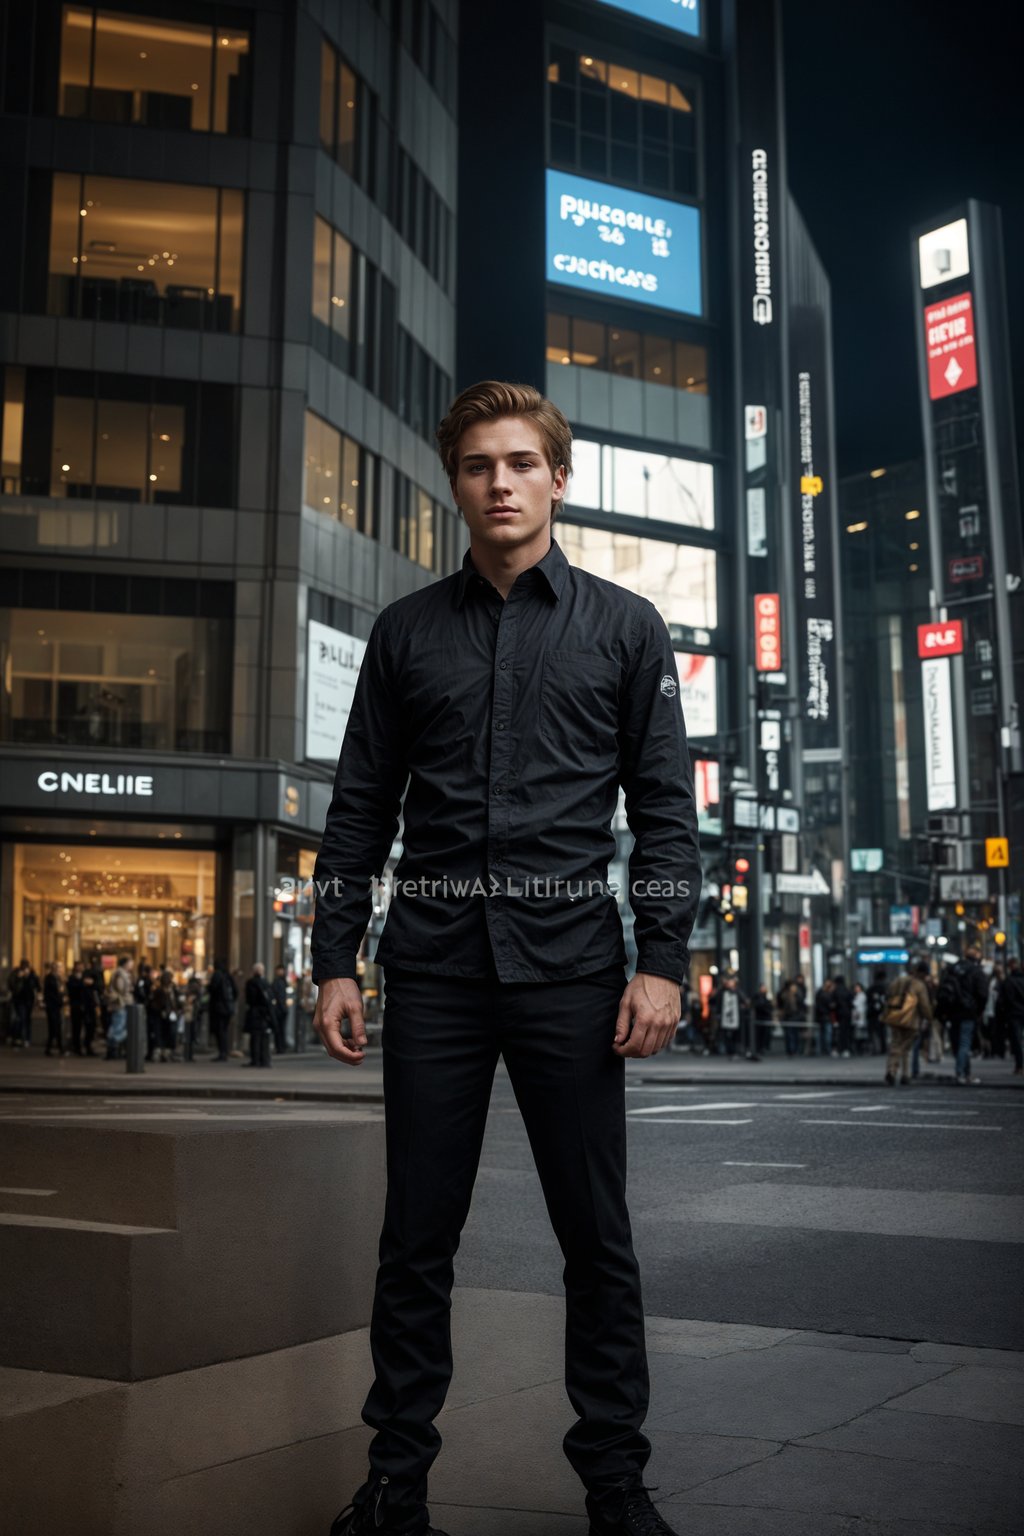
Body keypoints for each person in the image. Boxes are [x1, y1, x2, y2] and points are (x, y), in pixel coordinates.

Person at [311, 381, 699, 1536]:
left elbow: (664, 814)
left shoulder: (627, 629)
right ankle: (396, 1483)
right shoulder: (405, 633)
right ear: (457, 481)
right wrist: (338, 955)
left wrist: (663, 958)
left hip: (575, 974)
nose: (501, 482)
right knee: (415, 1237)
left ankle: (616, 1486)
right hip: (431, 969)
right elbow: (359, 807)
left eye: (522, 462)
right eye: (480, 464)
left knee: (598, 1239)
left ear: (557, 479)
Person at [940, 945, 989, 1085]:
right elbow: (982, 994)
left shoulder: (952, 969)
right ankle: (961, 1073)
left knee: (958, 1043)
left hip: (951, 1012)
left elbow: (943, 990)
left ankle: (965, 1073)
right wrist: (978, 1011)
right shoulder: (975, 971)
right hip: (968, 1012)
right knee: (964, 1043)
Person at [883, 961, 933, 1086]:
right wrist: (929, 1018)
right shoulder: (919, 985)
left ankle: (892, 1071)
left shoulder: (898, 981)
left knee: (895, 1044)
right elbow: (924, 1005)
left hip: (894, 1017)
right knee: (906, 1048)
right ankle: (904, 1074)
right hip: (911, 1020)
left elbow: (888, 995)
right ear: (923, 973)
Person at [996, 956, 1024, 1076]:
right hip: (1017, 1012)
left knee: (1016, 1040)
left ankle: (1020, 1065)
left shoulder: (1008, 981)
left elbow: (1003, 1000)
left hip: (1014, 1013)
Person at [244, 963, 275, 1068]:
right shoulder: (266, 983)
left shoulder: (251, 983)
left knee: (255, 1037)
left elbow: (250, 999)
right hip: (265, 1014)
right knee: (264, 1037)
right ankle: (264, 1060)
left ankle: (255, 1060)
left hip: (255, 1013)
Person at [208, 958, 238, 1062]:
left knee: (220, 1031)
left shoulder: (217, 975)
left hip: (219, 1007)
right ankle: (224, 1052)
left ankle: (222, 1053)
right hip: (227, 1007)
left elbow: (212, 989)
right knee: (224, 1030)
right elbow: (235, 991)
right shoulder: (228, 976)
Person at [106, 955, 134, 1061]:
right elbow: (121, 988)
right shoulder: (120, 973)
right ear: (125, 963)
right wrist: (129, 990)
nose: (132, 965)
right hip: (120, 1003)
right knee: (118, 1026)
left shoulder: (123, 973)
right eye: (131, 962)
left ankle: (114, 1049)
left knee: (118, 1025)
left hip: (122, 1003)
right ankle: (113, 1050)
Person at [7, 959, 39, 1048]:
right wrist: (19, 977)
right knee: (21, 1018)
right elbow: (11, 985)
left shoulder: (32, 974)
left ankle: (27, 1039)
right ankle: (17, 1038)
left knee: (27, 1020)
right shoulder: (16, 973)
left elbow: (36, 986)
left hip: (29, 1000)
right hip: (19, 1000)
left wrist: (29, 976)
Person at [43, 961, 67, 1057]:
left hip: (57, 1006)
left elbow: (62, 991)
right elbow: (50, 993)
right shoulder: (49, 978)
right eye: (57, 967)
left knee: (56, 1028)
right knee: (54, 1027)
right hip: (52, 1006)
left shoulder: (59, 979)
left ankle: (54, 1048)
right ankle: (56, 1048)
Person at [777, 976, 804, 1057]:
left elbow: (801, 1003)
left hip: (795, 1016)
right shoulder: (784, 994)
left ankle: (794, 1050)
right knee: (789, 1034)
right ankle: (791, 1050)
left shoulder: (797, 993)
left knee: (794, 1034)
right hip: (787, 1016)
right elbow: (781, 1004)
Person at [866, 969, 888, 1056]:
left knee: (873, 1032)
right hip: (882, 1012)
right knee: (882, 1031)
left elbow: (868, 999)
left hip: (872, 1013)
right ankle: (883, 1048)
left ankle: (875, 1048)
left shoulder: (871, 988)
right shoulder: (884, 987)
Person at [270, 963, 291, 1054]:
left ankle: (281, 1047)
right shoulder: (279, 982)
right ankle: (280, 1047)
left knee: (280, 1029)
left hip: (281, 1008)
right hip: (280, 1008)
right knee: (279, 1029)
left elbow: (282, 996)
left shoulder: (282, 982)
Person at [832, 973, 853, 1057]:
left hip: (838, 1013)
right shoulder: (847, 990)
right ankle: (846, 1049)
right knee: (846, 1032)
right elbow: (851, 1002)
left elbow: (833, 1003)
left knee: (839, 1032)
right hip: (847, 1013)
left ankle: (839, 1049)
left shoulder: (835, 991)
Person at [813, 977, 835, 1057]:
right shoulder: (826, 995)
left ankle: (819, 1050)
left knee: (820, 1035)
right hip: (825, 1016)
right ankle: (827, 1050)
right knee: (827, 1034)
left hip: (820, 1017)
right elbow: (830, 1006)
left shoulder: (819, 993)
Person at [752, 982, 775, 1055]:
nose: (764, 989)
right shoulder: (758, 996)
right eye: (762, 987)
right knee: (759, 1035)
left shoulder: (766, 996)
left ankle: (763, 1047)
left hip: (766, 1017)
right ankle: (759, 1048)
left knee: (765, 1034)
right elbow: (758, 1006)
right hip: (760, 1018)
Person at [851, 982, 869, 1055]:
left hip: (860, 1016)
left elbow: (856, 1004)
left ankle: (862, 1049)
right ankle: (859, 1049)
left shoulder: (862, 995)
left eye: (857, 987)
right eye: (855, 987)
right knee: (857, 1033)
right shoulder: (857, 995)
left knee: (860, 1033)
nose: (856, 989)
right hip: (857, 1016)